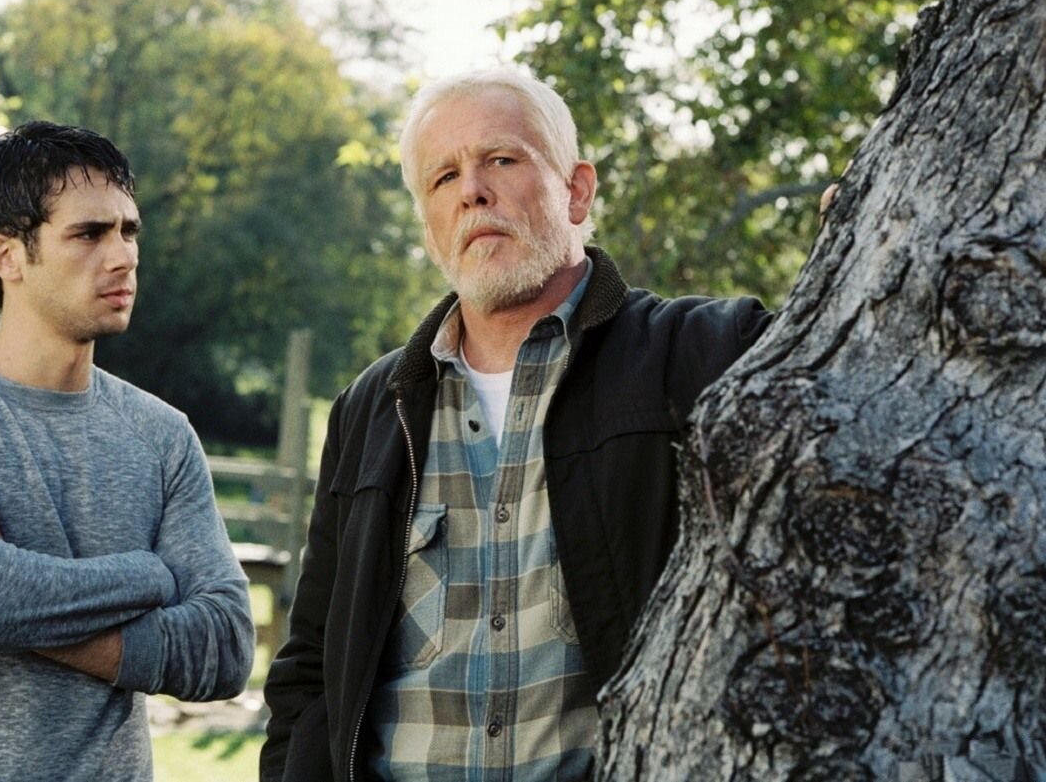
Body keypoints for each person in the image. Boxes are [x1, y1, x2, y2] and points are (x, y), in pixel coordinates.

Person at [261, 69, 773, 781]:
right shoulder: (372, 409)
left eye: (501, 159)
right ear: (430, 227)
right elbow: (313, 668)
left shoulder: (705, 353)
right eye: (444, 177)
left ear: (577, 190)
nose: (472, 190)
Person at [0, 121, 254, 781]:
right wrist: (150, 575)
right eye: (89, 233)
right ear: (7, 255)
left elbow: (226, 647)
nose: (123, 256)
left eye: (129, 231)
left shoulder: (161, 435)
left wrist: (11, 590)